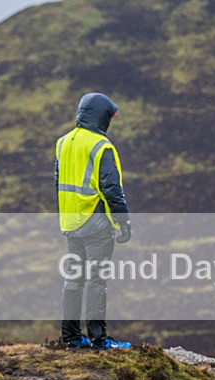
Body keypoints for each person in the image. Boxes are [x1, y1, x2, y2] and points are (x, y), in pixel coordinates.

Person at [55, 92, 133, 350]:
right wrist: (123, 222)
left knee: (74, 280)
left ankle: (72, 338)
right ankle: (100, 341)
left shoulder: (63, 142)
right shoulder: (101, 146)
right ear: (102, 117)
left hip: (71, 222)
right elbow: (112, 189)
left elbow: (58, 181)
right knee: (97, 281)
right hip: (97, 223)